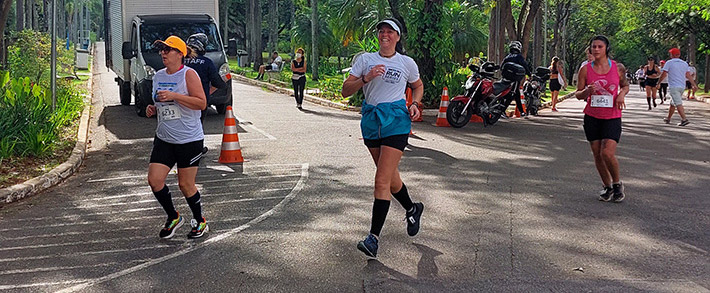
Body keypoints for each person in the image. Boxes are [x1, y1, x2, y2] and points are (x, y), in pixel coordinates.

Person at [341, 18, 425, 258]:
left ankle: (373, 239)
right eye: (381, 31)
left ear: (398, 37)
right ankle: (412, 208)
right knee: (390, 178)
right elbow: (346, 90)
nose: (384, 35)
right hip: (371, 121)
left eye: (390, 32)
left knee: (380, 180)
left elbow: (417, 86)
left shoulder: (406, 63)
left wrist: (416, 104)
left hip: (396, 120)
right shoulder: (365, 60)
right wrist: (366, 78)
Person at [145, 35, 209, 239]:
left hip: (188, 139)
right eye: (161, 49)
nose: (163, 53)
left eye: (167, 50)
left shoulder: (188, 75)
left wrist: (175, 96)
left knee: (185, 184)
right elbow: (160, 102)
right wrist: (153, 109)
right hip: (164, 138)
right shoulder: (158, 76)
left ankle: (200, 221)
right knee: (154, 180)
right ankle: (173, 216)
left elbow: (201, 103)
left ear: (180, 54)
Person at [574, 35, 629, 203]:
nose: (596, 49)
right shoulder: (585, 69)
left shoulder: (617, 68)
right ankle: (608, 187)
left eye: (600, 47)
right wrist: (586, 92)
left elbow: (625, 85)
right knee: (597, 154)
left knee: (607, 152)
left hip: (612, 116)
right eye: (594, 47)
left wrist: (621, 94)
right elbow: (578, 94)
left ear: (606, 49)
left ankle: (617, 183)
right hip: (592, 116)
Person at [184, 33, 227, 120]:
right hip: (199, 102)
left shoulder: (180, 61)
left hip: (181, 100)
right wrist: (224, 82)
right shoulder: (206, 62)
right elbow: (217, 82)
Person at [658, 48, 699, 126]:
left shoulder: (669, 63)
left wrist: (658, 82)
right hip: (682, 86)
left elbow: (664, 74)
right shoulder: (684, 63)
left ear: (671, 55)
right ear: (679, 55)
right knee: (673, 103)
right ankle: (668, 118)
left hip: (673, 86)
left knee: (678, 103)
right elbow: (688, 75)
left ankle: (684, 119)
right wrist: (694, 84)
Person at [502, 41, 532, 115]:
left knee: (514, 94)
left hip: (505, 79)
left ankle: (521, 111)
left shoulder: (508, 57)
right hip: (515, 79)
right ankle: (503, 110)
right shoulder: (519, 57)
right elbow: (525, 66)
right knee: (513, 94)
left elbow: (501, 66)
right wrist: (529, 74)